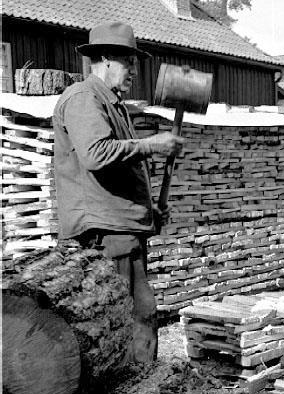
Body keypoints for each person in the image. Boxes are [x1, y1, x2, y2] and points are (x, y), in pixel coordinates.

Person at [53, 21, 185, 364]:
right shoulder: (84, 97)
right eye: (129, 61)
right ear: (106, 58)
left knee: (140, 318)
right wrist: (150, 144)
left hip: (123, 230)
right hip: (106, 234)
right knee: (124, 324)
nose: (134, 70)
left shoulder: (114, 104)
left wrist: (148, 212)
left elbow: (121, 166)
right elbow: (96, 154)